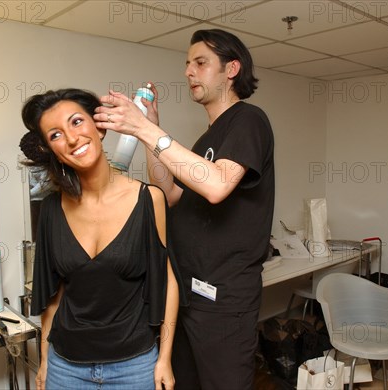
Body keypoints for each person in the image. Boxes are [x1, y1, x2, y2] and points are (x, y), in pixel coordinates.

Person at [95, 29, 275, 389]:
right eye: (187, 64)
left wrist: (145, 128)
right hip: (187, 296)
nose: (189, 72)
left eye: (200, 63)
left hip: (224, 302)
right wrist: (152, 131)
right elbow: (169, 192)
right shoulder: (206, 139)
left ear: (231, 69)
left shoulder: (248, 120)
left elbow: (217, 185)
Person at [20, 88, 185, 390]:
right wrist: (44, 360)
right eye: (55, 135)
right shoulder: (51, 210)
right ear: (50, 149)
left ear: (99, 126)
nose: (71, 138)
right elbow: (52, 298)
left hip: (134, 366)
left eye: (76, 122)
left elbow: (169, 282)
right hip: (65, 367)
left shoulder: (149, 199)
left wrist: (165, 358)